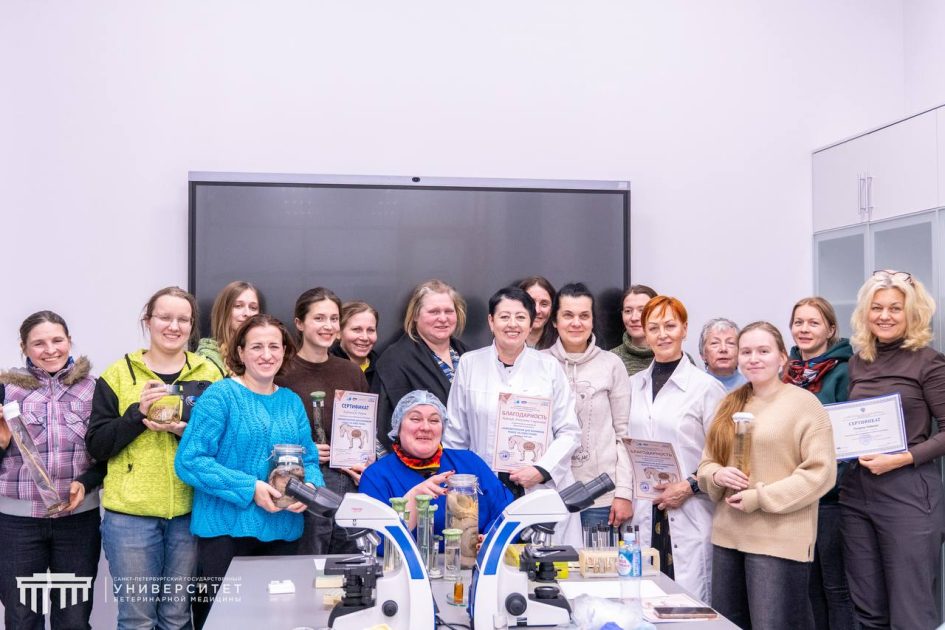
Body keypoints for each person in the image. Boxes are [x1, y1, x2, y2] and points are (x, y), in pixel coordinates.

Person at [86, 287, 224, 630]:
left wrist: (182, 432)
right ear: (148, 321)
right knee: (137, 619)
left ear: (192, 326)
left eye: (183, 319)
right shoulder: (118, 374)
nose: (173, 326)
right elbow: (97, 446)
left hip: (191, 513)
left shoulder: (210, 375)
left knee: (177, 618)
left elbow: (224, 445)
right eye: (165, 317)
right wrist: (137, 414)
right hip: (130, 518)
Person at [176, 315, 322, 628]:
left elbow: (309, 460)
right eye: (256, 346)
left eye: (274, 346)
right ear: (241, 352)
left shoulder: (291, 402)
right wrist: (250, 488)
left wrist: (308, 489)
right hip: (225, 536)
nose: (266, 354)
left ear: (284, 351)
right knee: (221, 623)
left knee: (278, 622)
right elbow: (190, 461)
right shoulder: (220, 396)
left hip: (283, 533)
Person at [698, 321, 836, 628]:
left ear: (782, 357)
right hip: (728, 538)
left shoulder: (805, 405)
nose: (753, 359)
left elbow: (821, 473)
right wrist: (717, 476)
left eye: (763, 351)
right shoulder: (729, 403)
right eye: (746, 352)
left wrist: (760, 498)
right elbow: (707, 464)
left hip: (778, 542)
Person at [841, 270, 945, 629]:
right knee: (868, 610)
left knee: (910, 612)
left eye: (895, 308)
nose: (884, 316)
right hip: (857, 495)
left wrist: (902, 458)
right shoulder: (858, 362)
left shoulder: (929, 362)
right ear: (865, 313)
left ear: (911, 313)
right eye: (877, 307)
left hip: (909, 494)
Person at [443, 286, 581, 546]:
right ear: (491, 321)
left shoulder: (549, 367)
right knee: (489, 560)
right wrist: (464, 485)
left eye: (520, 317)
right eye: (504, 317)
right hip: (485, 486)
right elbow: (455, 435)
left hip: (538, 487)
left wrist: (541, 470)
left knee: (543, 563)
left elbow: (569, 431)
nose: (512, 324)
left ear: (531, 323)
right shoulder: (470, 364)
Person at [0, 311, 104, 630]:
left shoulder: (94, 389)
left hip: (78, 522)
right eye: (38, 343)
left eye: (57, 340)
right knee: (22, 619)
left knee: (73, 620)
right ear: (24, 347)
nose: (50, 350)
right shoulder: (5, 389)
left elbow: (106, 453)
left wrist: (86, 482)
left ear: (69, 341)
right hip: (17, 523)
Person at [627, 296, 726, 603]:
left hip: (690, 507)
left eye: (670, 326)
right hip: (645, 508)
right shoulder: (632, 385)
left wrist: (689, 486)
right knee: (645, 600)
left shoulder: (706, 388)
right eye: (653, 327)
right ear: (644, 333)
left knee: (689, 605)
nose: (662, 335)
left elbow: (724, 456)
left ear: (684, 328)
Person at [276, 287, 369, 555]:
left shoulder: (351, 372)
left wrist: (364, 459)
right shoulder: (281, 372)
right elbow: (268, 431)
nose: (328, 326)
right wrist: (304, 451)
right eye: (319, 318)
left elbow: (365, 429)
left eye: (333, 319)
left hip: (349, 482)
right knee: (308, 561)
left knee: (349, 561)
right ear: (299, 323)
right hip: (304, 482)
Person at [783, 297, 855, 630]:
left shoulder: (844, 372)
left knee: (836, 588)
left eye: (814, 322)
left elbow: (851, 439)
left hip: (830, 499)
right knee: (806, 587)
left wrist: (824, 481)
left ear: (830, 329)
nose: (804, 329)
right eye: (799, 322)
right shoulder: (786, 374)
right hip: (793, 499)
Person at [360, 390, 513, 542]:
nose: (426, 427)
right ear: (398, 428)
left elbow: (506, 512)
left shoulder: (469, 463)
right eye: (415, 419)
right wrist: (414, 498)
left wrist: (491, 540)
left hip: (474, 557)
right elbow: (376, 541)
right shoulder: (376, 476)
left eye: (434, 420)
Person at [544, 282, 633, 528]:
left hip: (600, 496)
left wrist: (624, 492)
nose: (576, 323)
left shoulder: (611, 364)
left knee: (597, 555)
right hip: (548, 494)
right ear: (555, 321)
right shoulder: (539, 363)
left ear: (593, 321)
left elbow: (624, 434)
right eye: (568, 315)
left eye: (584, 316)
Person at [373, 279, 470, 449]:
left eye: (449, 311)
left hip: (468, 456)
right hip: (420, 460)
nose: (443, 318)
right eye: (434, 312)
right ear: (415, 315)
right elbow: (383, 426)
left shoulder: (468, 357)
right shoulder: (395, 360)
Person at [196, 281, 262, 374]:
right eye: (238, 306)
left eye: (253, 308)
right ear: (224, 311)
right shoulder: (206, 358)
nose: (247, 313)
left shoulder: (266, 354)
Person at [330, 300, 379, 389]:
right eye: (356, 329)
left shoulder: (383, 369)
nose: (365, 337)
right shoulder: (325, 367)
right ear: (338, 333)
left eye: (370, 330)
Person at [610, 284, 658, 376]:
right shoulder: (610, 359)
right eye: (628, 311)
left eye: (642, 310)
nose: (634, 318)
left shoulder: (677, 358)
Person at [698, 317, 747, 391]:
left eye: (730, 343)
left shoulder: (753, 387)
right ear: (703, 354)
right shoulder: (695, 388)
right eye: (715, 343)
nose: (723, 349)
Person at [519, 276, 557, 350]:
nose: (537, 310)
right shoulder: (504, 343)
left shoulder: (562, 346)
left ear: (552, 308)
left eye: (544, 304)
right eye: (531, 303)